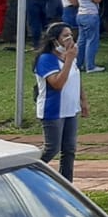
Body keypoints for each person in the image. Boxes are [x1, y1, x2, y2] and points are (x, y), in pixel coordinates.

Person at [34, 23, 87, 181]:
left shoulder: (69, 57)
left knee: (69, 149)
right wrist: (69, 59)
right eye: (65, 36)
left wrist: (83, 100)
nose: (69, 39)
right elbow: (57, 84)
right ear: (54, 40)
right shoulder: (46, 59)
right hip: (53, 110)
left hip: (70, 109)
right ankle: (30, 170)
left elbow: (76, 78)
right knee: (52, 148)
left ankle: (67, 182)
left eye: (70, 34)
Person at [75, 0, 108, 73]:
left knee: (82, 41)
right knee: (92, 40)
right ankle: (90, 66)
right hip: (89, 15)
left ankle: (78, 64)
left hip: (82, 15)